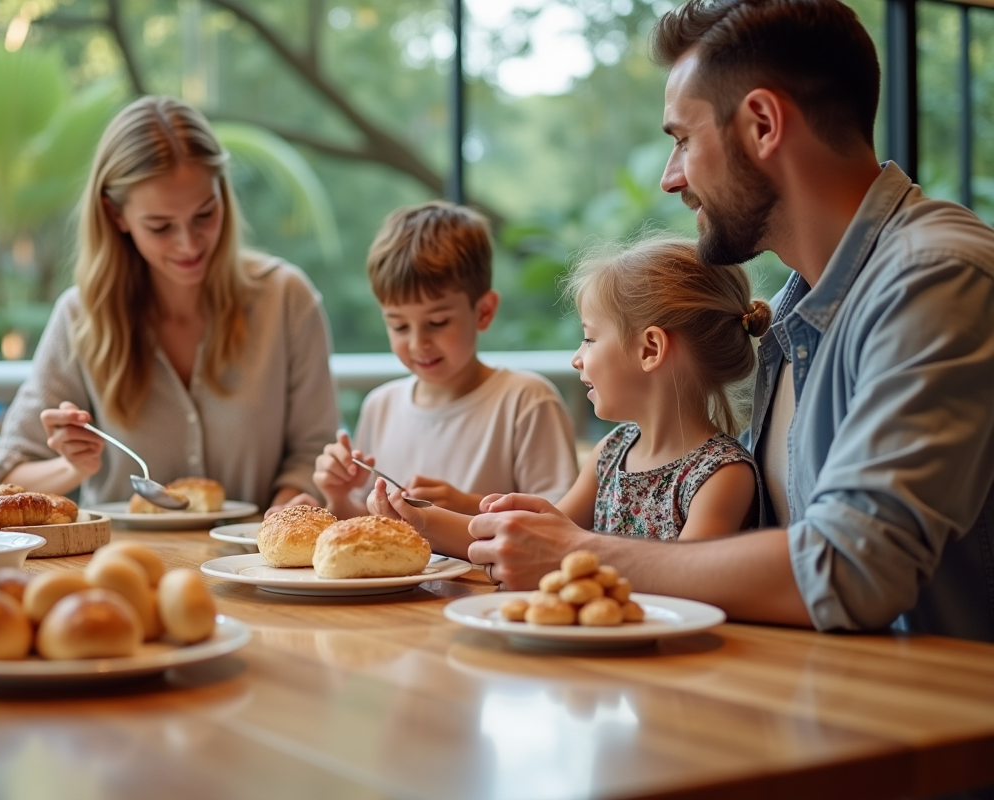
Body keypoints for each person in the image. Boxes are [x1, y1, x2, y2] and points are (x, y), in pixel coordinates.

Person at [468, 0, 994, 643]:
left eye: (683, 140)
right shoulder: (796, 317)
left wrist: (581, 554)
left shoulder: (937, 276)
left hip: (935, 731)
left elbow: (853, 571)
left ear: (764, 124)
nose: (670, 179)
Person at [0, 96, 338, 513]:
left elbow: (315, 454)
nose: (189, 243)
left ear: (223, 194)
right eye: (161, 226)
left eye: (205, 214)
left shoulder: (287, 299)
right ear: (116, 215)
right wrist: (70, 467)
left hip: (252, 569)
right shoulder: (81, 317)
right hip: (119, 571)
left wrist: (281, 516)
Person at [371, 236, 768, 555]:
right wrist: (421, 520)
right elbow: (528, 540)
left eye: (590, 338)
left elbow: (691, 581)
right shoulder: (611, 453)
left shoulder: (723, 476)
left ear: (650, 349)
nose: (577, 358)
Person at [305, 200, 577, 528]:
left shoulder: (526, 401)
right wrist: (337, 497)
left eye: (437, 322)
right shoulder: (380, 406)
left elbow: (562, 524)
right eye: (399, 326)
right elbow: (369, 526)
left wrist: (469, 506)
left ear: (484, 311)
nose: (418, 342)